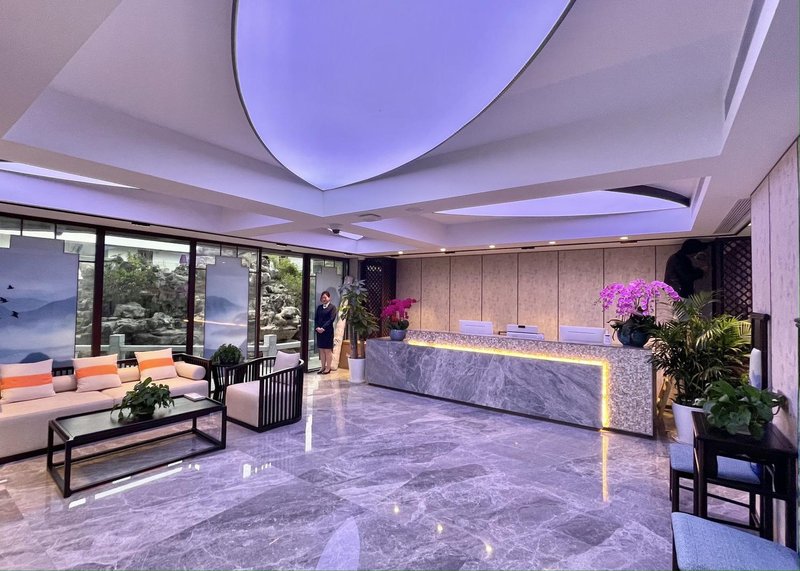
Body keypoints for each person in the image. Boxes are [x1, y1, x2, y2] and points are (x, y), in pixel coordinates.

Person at [314, 291, 337, 374]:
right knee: (321, 350)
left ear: (329, 298)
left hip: (328, 332)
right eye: (322, 298)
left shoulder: (332, 307)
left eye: (325, 297)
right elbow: (316, 319)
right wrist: (317, 327)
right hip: (319, 332)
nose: (323, 299)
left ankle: (328, 368)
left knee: (327, 350)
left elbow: (331, 319)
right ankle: (322, 367)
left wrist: (323, 328)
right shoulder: (319, 307)